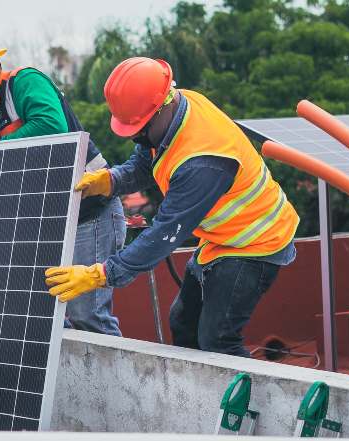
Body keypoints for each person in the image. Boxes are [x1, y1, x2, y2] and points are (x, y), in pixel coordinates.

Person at [45, 57, 299, 356]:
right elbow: (146, 160)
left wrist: (101, 274)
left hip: (256, 244)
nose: (137, 136)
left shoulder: (203, 162)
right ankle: (198, 397)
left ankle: (246, 400)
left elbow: (164, 234)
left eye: (140, 128)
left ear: (162, 107)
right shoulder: (175, 107)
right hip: (223, 238)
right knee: (183, 322)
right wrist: (111, 180)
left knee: (218, 341)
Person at [0, 33, 125, 336]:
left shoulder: (24, 83)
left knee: (86, 315)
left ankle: (118, 384)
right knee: (45, 316)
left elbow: (53, 126)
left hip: (90, 212)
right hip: (45, 222)